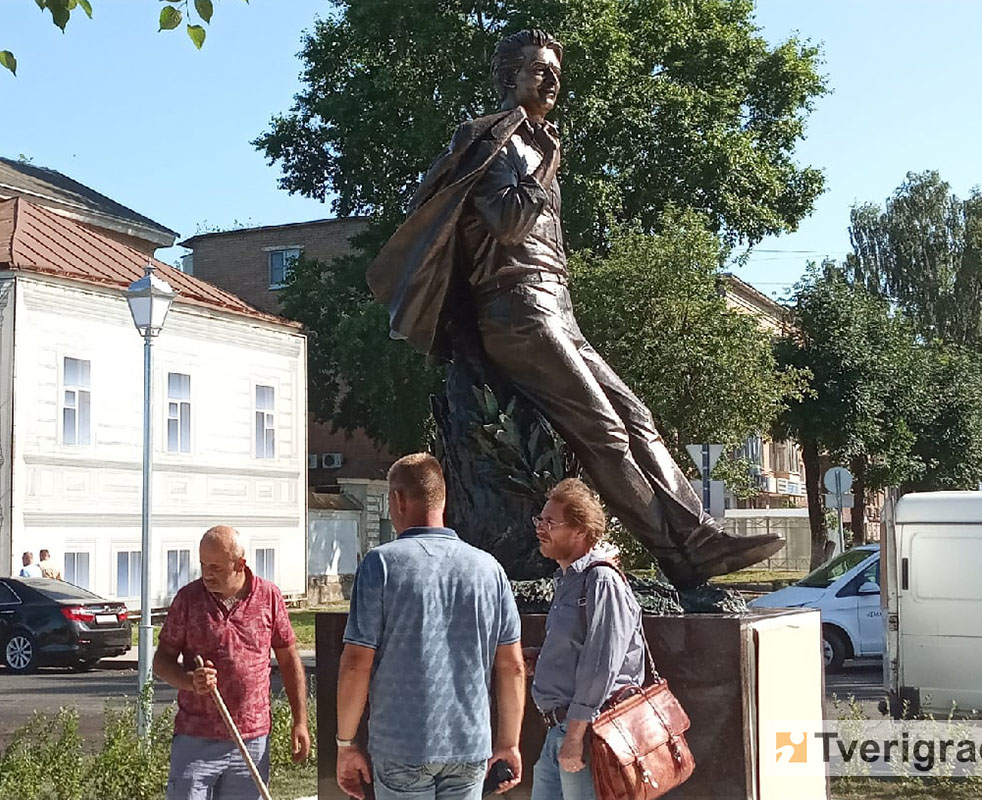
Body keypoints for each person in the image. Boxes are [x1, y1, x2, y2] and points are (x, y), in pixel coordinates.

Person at [367, 29, 783, 589]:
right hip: (515, 308)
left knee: (636, 417)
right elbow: (510, 223)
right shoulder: (490, 140)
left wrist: (545, 157)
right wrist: (544, 164)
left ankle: (698, 536)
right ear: (507, 78)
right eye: (538, 69)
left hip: (556, 306)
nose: (552, 79)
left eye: (556, 70)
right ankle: (676, 553)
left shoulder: (537, 145)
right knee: (605, 430)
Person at [336, 453, 526, 800]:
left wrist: (346, 744)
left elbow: (356, 662)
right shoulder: (489, 570)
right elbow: (512, 666)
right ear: (443, 499)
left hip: (402, 743)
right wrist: (509, 742)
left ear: (397, 500)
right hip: (469, 744)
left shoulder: (381, 564)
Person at [154, 525, 311, 800]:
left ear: (240, 564)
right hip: (195, 738)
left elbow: (289, 661)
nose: (207, 574)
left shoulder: (269, 597)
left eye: (215, 566)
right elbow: (162, 661)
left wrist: (300, 721)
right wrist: (189, 681)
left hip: (251, 740)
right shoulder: (188, 599)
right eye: (203, 564)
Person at [528, 478, 644, 800]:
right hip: (559, 730)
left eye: (551, 522)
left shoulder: (601, 581)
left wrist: (576, 735)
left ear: (581, 531)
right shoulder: (569, 580)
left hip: (589, 733)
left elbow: (602, 664)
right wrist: (542, 657)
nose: (541, 528)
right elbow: (581, 648)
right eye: (540, 519)